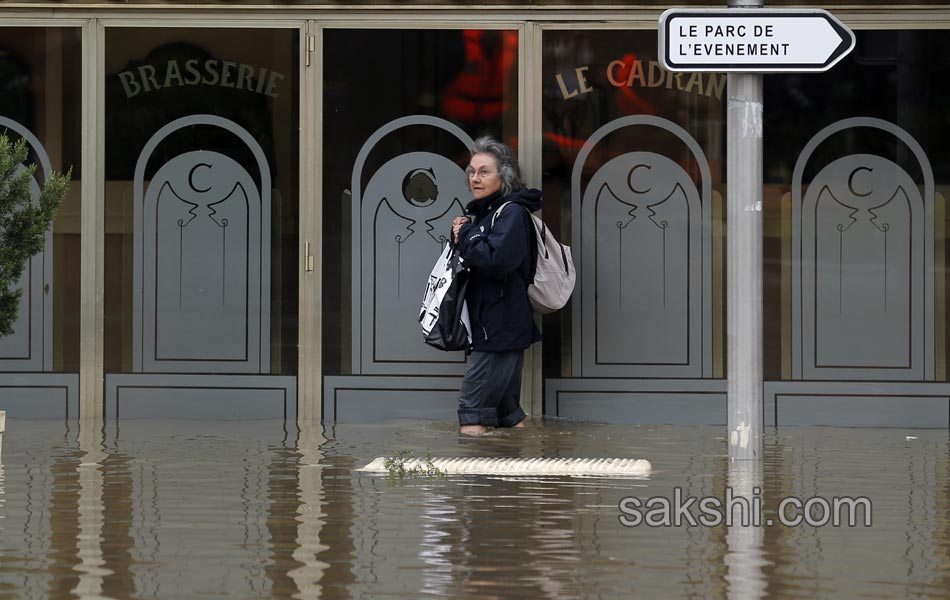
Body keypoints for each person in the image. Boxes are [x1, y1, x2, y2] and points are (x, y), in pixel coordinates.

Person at [451, 136, 541, 435]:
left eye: (484, 172)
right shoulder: (488, 211)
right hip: (499, 323)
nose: (475, 178)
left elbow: (496, 261)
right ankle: (514, 475)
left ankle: (475, 481)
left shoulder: (511, 212)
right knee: (508, 415)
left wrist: (466, 234)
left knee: (472, 413)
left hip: (498, 325)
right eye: (471, 172)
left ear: (505, 176)